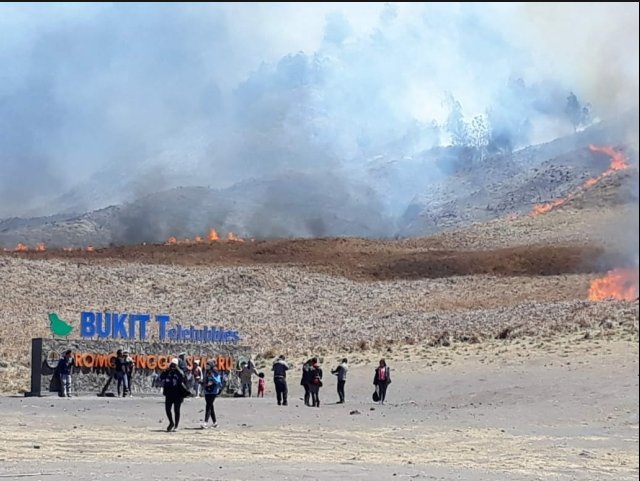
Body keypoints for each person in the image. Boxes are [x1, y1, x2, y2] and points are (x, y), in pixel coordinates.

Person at [159, 358, 187, 432]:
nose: (173, 366)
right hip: (169, 393)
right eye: (172, 364)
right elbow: (161, 377)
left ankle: (176, 425)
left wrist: (176, 368)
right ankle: (171, 422)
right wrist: (167, 369)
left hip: (178, 394)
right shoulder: (168, 371)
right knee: (167, 409)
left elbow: (183, 376)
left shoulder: (180, 371)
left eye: (174, 364)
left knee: (176, 410)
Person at [202, 360, 222, 429]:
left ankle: (205, 422)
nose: (207, 366)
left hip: (213, 391)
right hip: (207, 391)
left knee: (208, 406)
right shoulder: (205, 372)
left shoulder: (215, 372)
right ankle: (215, 422)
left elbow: (218, 382)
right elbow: (204, 380)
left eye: (208, 365)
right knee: (211, 407)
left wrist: (212, 376)